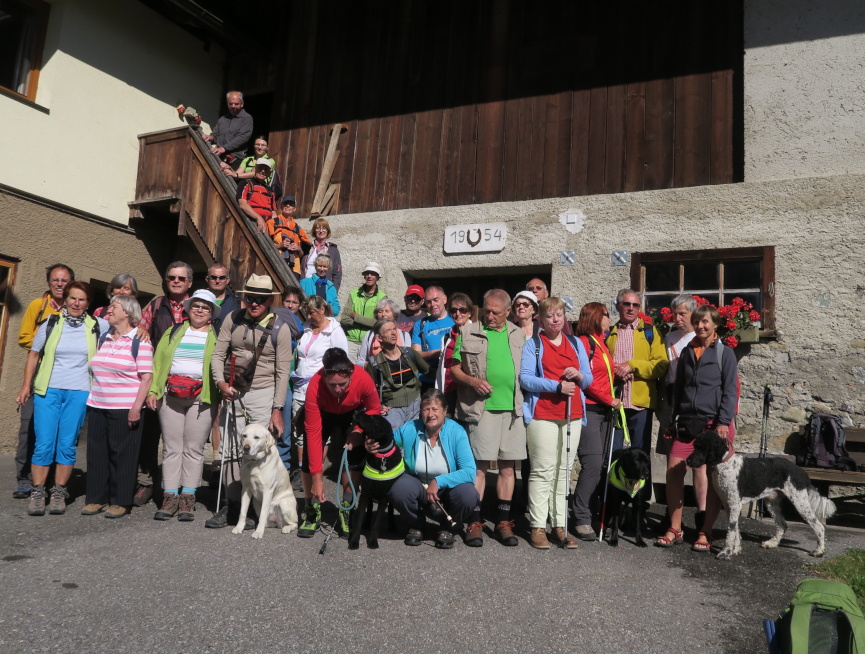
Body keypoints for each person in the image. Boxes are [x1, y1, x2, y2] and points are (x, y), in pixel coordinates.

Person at [208, 274, 292, 529]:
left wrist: (277, 409)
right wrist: (220, 383)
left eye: (260, 299)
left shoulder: (281, 328)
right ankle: (230, 505)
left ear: (268, 301)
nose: (254, 303)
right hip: (232, 390)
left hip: (264, 392)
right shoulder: (232, 319)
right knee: (230, 449)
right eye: (249, 298)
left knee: (257, 450)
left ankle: (258, 503)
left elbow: (282, 372)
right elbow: (218, 354)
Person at [16, 282, 106, 515]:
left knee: (67, 444)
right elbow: (34, 354)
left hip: (79, 391)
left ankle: (58, 491)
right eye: (73, 298)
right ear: (65, 299)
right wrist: (26, 386)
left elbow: (126, 329)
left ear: (88, 303)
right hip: (48, 390)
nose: (77, 303)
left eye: (82, 299)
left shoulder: (98, 325)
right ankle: (38, 492)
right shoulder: (51, 322)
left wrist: (143, 332)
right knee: (44, 443)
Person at [450, 289, 526, 547]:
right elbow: (454, 369)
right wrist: (473, 381)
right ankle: (474, 522)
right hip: (481, 410)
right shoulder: (467, 332)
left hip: (513, 410)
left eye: (496, 312)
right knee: (479, 468)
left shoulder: (519, 334)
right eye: (487, 310)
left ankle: (503, 523)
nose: (490, 316)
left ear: (508, 312)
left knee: (507, 468)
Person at [661, 304, 738, 553]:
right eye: (697, 322)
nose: (701, 326)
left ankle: (705, 531)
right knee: (673, 471)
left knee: (711, 478)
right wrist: (673, 420)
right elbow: (679, 387)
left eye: (705, 322)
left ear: (715, 324)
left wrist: (723, 422)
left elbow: (729, 391)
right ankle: (675, 528)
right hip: (687, 421)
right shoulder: (687, 351)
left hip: (714, 424)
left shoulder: (724, 354)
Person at [519, 297, 592, 549]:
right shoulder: (534, 344)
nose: (556, 319)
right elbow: (526, 379)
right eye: (550, 315)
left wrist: (579, 375)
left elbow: (589, 378)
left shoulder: (575, 343)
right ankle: (538, 526)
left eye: (559, 314)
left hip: (572, 413)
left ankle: (560, 524)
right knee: (542, 470)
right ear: (541, 318)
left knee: (564, 471)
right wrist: (557, 386)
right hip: (543, 414)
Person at [370, 389, 481, 549]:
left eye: (435, 409)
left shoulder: (457, 432)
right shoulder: (410, 428)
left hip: (447, 489)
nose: (430, 414)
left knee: (469, 494)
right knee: (398, 488)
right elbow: (387, 440)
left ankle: (448, 528)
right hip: (419, 485)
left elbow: (470, 471)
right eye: (426, 409)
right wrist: (372, 443)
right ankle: (416, 524)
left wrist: (439, 481)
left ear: (445, 410)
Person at [145, 290, 221, 522]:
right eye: (196, 305)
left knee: (194, 448)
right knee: (171, 447)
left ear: (211, 313)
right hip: (171, 396)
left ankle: (188, 497)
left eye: (205, 307)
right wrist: (153, 391)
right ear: (189, 308)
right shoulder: (174, 330)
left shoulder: (216, 336)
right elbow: (158, 362)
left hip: (202, 397)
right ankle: (170, 496)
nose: (199, 310)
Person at [81, 295, 154, 518]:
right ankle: (96, 498)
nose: (108, 309)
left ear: (128, 313)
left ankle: (121, 500)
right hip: (97, 404)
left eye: (114, 306)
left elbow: (146, 378)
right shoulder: (104, 337)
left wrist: (136, 408)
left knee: (122, 455)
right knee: (97, 453)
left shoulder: (140, 341)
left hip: (124, 407)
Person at [297, 348, 381, 538]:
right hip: (324, 413)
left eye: (342, 384)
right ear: (324, 377)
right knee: (310, 456)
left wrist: (359, 430)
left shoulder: (363, 379)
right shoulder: (315, 385)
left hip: (353, 413)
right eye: (332, 384)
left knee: (354, 457)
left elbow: (374, 408)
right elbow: (313, 433)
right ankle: (312, 510)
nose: (337, 389)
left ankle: (346, 508)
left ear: (350, 376)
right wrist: (318, 480)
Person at [13, 263, 73, 499]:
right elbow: (23, 338)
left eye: (64, 280)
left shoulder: (74, 310)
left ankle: (49, 479)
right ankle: (24, 478)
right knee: (29, 427)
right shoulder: (38, 306)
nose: (60, 284)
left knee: (58, 431)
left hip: (63, 378)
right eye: (56, 280)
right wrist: (49, 345)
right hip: (38, 375)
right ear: (49, 283)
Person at [135, 261, 193, 507]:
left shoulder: (197, 306)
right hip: (159, 378)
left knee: (182, 437)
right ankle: (146, 482)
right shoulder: (157, 304)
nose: (176, 281)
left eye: (181, 278)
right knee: (150, 433)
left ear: (189, 282)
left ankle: (180, 487)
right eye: (172, 277)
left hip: (187, 380)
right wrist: (143, 332)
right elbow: (139, 328)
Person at [572, 302, 623, 541]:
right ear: (595, 316)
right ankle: (581, 516)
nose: (609, 317)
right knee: (592, 463)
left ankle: (589, 511)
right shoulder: (584, 342)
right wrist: (608, 398)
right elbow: (585, 379)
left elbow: (603, 375)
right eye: (606, 314)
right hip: (590, 409)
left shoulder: (601, 342)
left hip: (604, 409)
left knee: (602, 463)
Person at [605, 289, 669, 455]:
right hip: (614, 402)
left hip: (640, 404)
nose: (631, 308)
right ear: (618, 306)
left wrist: (632, 366)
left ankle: (643, 483)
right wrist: (616, 371)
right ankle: (614, 482)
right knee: (613, 454)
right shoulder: (609, 334)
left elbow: (661, 365)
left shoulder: (650, 332)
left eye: (635, 305)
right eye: (626, 304)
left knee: (640, 456)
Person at [366, 319, 429, 429]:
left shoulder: (409, 353)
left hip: (415, 405)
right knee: (396, 442)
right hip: (392, 410)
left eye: (394, 329)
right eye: (388, 330)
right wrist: (378, 407)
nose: (394, 332)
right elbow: (368, 391)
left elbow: (428, 372)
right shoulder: (374, 363)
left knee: (414, 439)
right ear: (379, 338)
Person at [411, 286, 454, 395]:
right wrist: (435, 353)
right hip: (428, 379)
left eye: (436, 300)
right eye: (429, 302)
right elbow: (415, 354)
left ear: (444, 299)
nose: (433, 304)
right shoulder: (420, 324)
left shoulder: (455, 320)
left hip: (451, 379)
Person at [435, 292, 474, 414]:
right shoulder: (447, 337)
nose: (458, 314)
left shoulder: (477, 335)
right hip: (448, 391)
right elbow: (441, 367)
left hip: (468, 392)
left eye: (462, 310)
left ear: (470, 312)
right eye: (453, 310)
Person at [341, 262, 387, 362]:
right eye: (367, 273)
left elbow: (378, 323)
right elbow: (344, 319)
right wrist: (367, 322)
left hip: (371, 341)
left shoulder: (382, 297)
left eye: (373, 274)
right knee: (350, 373)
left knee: (369, 373)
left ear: (378, 277)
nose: (369, 276)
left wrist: (356, 316)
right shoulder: (353, 294)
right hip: (351, 342)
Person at [203, 90, 253, 165]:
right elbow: (216, 134)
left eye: (236, 104)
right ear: (227, 104)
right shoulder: (222, 119)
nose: (233, 106)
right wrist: (211, 137)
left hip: (236, 158)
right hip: (220, 155)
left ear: (242, 104)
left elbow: (242, 137)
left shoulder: (247, 118)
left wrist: (224, 148)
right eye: (231, 103)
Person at [355, 298, 411, 365]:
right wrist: (371, 367)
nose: (383, 314)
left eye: (387, 311)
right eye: (380, 311)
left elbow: (408, 359)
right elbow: (360, 361)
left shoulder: (404, 335)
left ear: (394, 314)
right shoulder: (370, 335)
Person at [271, 196, 311, 275]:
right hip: (277, 265)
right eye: (285, 203)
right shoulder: (272, 223)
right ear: (281, 206)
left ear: (294, 209)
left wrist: (298, 249)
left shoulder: (298, 229)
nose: (288, 205)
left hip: (294, 269)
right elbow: (265, 245)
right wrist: (279, 246)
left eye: (291, 204)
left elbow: (302, 254)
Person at [237, 159, 278, 234]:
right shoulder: (246, 183)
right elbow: (243, 204)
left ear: (269, 173)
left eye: (266, 169)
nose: (263, 171)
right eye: (260, 168)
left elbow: (273, 213)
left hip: (268, 226)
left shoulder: (270, 190)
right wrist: (258, 217)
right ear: (255, 169)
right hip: (251, 223)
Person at [300, 218, 343, 290]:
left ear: (327, 231)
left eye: (324, 228)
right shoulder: (307, 248)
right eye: (318, 228)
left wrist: (333, 291)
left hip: (324, 287)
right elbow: (301, 269)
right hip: (306, 286)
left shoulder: (332, 249)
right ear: (314, 231)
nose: (321, 231)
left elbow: (337, 274)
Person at [205, 263, 238, 331]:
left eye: (222, 278)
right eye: (213, 278)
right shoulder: (197, 301)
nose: (217, 281)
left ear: (227, 280)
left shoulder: (237, 304)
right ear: (207, 279)